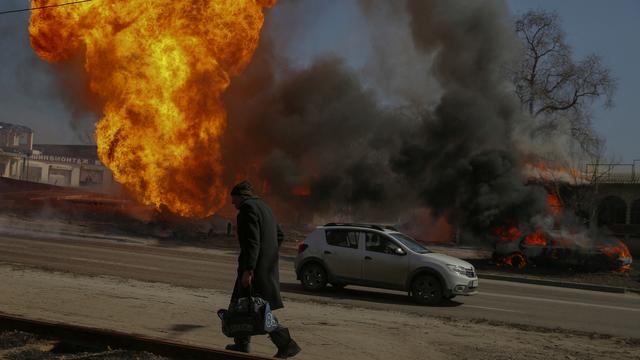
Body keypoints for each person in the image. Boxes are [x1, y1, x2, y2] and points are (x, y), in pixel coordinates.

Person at [226, 180, 301, 358]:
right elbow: (279, 235)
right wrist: (269, 254)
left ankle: (287, 344)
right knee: (242, 305)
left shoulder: (247, 209)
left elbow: (252, 242)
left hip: (254, 271)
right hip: (265, 268)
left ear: (242, 196)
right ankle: (242, 343)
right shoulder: (265, 208)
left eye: (233, 199)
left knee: (258, 309)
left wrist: (249, 269)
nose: (232, 203)